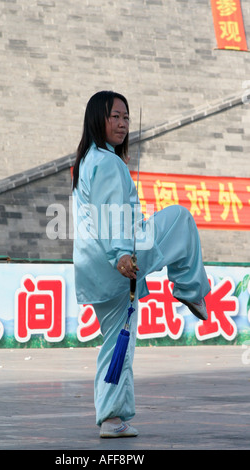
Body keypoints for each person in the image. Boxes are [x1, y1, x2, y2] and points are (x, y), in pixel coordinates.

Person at [72, 90, 211, 438]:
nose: (121, 124)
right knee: (180, 218)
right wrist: (120, 254)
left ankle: (111, 419)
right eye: (114, 116)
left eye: (126, 117)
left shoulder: (90, 159)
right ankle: (190, 289)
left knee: (115, 344)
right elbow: (110, 213)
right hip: (120, 260)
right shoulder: (105, 162)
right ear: (97, 120)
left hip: (98, 270)